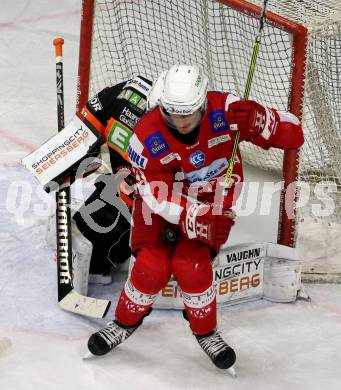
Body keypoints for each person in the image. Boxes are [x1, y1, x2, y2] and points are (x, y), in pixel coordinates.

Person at [86, 64, 304, 370]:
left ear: (203, 104)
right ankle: (123, 324)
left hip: (214, 203)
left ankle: (206, 332)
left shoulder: (226, 110)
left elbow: (295, 134)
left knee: (193, 267)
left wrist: (261, 121)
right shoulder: (145, 137)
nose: (181, 121)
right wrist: (193, 215)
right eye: (172, 112)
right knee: (152, 265)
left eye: (188, 112)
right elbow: (153, 194)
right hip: (161, 204)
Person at [71, 75, 154, 286]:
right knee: (79, 234)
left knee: (93, 263)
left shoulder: (120, 94)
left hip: (152, 205)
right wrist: (67, 163)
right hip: (123, 186)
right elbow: (80, 136)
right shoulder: (119, 96)